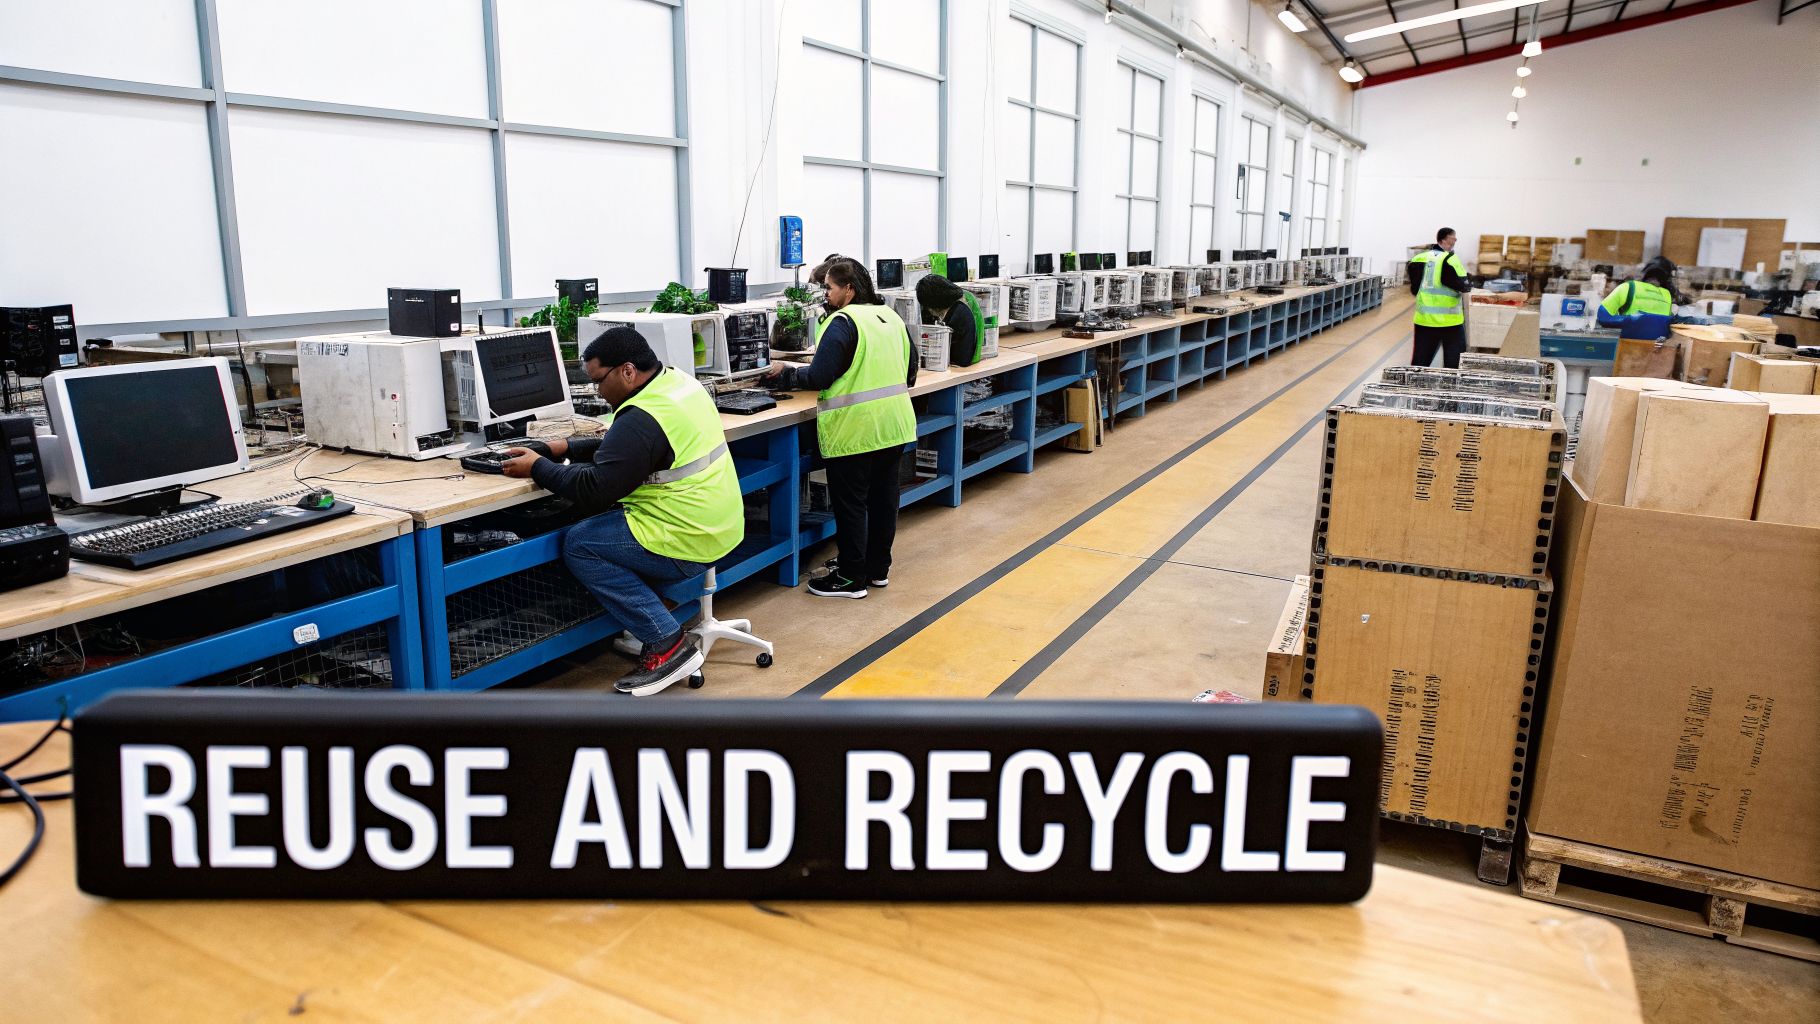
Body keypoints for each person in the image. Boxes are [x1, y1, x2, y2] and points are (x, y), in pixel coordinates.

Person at [500, 327, 742, 696]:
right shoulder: (674, 384)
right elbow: (620, 442)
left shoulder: (642, 418)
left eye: (599, 381)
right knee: (601, 527)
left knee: (581, 542)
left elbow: (594, 490)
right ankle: (652, 612)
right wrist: (563, 446)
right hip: (720, 523)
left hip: (689, 537)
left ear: (627, 371)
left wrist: (536, 467)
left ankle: (666, 642)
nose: (597, 391)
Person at [762, 256, 916, 599]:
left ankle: (849, 578)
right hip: (894, 426)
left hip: (856, 430)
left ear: (849, 289)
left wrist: (785, 374)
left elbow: (819, 376)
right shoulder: (890, 317)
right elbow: (911, 372)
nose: (825, 294)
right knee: (882, 503)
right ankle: (876, 571)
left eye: (828, 287)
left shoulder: (843, 322)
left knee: (852, 506)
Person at [1408, 227, 1470, 368]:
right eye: (1454, 237)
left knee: (1420, 363)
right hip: (1450, 323)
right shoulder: (1450, 259)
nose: (1455, 240)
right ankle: (1449, 389)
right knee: (1453, 364)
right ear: (1445, 239)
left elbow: (1414, 289)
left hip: (1424, 321)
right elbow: (1464, 285)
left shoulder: (1417, 259)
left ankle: (1414, 387)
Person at [1597, 256, 1682, 340]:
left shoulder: (1629, 287)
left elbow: (1602, 316)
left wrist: (1629, 320)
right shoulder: (1667, 296)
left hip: (1626, 347)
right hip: (1656, 349)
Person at [915, 273, 983, 367]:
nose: (928, 310)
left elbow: (960, 359)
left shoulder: (958, 315)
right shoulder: (960, 306)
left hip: (961, 371)